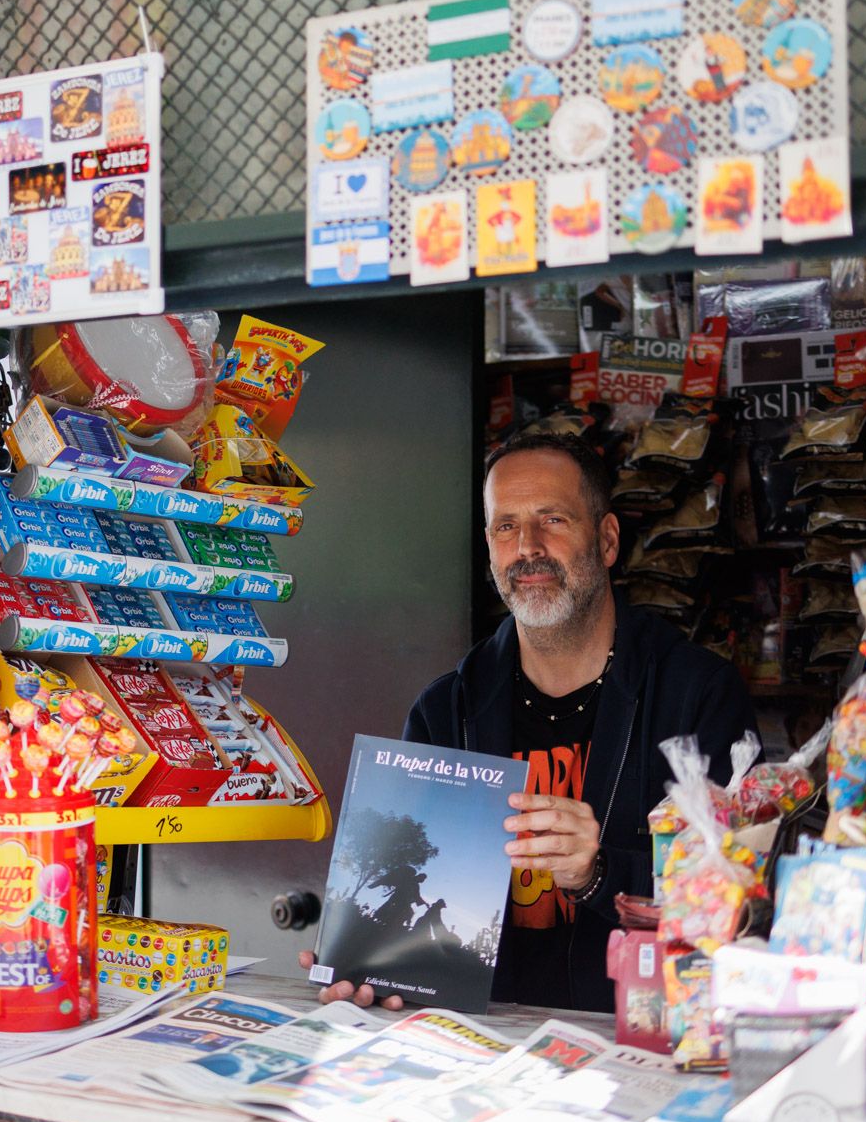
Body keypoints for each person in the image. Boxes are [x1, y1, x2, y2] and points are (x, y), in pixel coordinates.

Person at [302, 432, 756, 1011]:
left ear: (607, 540)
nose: (527, 548)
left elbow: (746, 899)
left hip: (642, 1032)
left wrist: (601, 873)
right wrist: (372, 965)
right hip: (486, 1041)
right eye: (506, 527)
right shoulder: (445, 711)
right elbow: (410, 896)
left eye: (553, 520)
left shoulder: (698, 696)